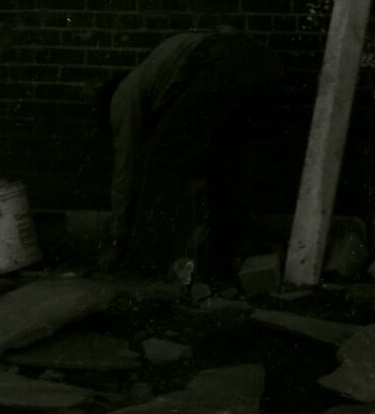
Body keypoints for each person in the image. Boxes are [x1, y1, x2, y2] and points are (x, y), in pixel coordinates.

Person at [100, 29, 286, 281]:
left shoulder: (123, 97)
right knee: (224, 166)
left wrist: (118, 234)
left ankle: (143, 268)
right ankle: (226, 264)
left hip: (224, 62)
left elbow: (125, 170)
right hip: (265, 63)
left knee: (160, 158)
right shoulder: (160, 79)